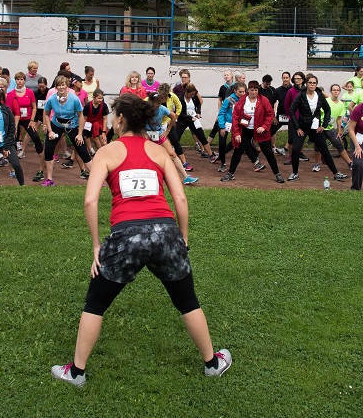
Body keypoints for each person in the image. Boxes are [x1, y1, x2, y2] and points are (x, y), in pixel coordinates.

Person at [50, 93, 231, 388]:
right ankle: (212, 363)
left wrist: (97, 246)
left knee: (95, 304)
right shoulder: (158, 151)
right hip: (166, 233)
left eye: (112, 115)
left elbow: (90, 201)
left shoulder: (107, 152)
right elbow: (181, 197)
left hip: (125, 236)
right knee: (187, 302)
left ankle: (76, 373)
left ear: (120, 119)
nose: (110, 119)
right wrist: (182, 239)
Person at [287, 74, 347, 183]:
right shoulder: (301, 95)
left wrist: (323, 125)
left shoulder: (319, 95)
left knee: (324, 150)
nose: (312, 85)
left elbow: (327, 110)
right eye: (310, 83)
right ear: (306, 83)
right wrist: (297, 128)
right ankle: (295, 173)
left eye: (314, 83)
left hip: (316, 128)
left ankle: (336, 173)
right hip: (303, 127)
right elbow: (292, 110)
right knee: (295, 150)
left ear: (316, 84)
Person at [224, 80, 283, 183]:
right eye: (251, 90)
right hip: (245, 129)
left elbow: (270, 114)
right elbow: (235, 117)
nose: (254, 92)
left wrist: (264, 127)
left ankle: (277, 174)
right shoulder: (242, 100)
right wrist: (237, 133)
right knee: (238, 151)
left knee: (268, 152)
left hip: (260, 130)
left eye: (256, 90)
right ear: (248, 90)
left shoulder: (263, 100)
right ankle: (230, 173)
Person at [41, 75, 91, 186]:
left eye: (63, 85)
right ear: (56, 87)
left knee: (82, 150)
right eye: (58, 85)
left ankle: (95, 178)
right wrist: (49, 130)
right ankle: (49, 179)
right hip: (56, 124)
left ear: (67, 86)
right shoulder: (52, 99)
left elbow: (81, 116)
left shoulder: (74, 99)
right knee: (48, 149)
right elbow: (46, 113)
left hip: (72, 125)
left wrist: (79, 134)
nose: (61, 87)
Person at [7, 72, 41, 159]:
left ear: (24, 81)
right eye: (17, 79)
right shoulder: (11, 94)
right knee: (13, 138)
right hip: (15, 119)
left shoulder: (29, 92)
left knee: (35, 136)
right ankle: (11, 157)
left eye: (21, 79)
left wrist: (32, 120)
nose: (19, 81)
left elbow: (34, 107)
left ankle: (42, 155)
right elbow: (9, 110)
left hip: (27, 119)